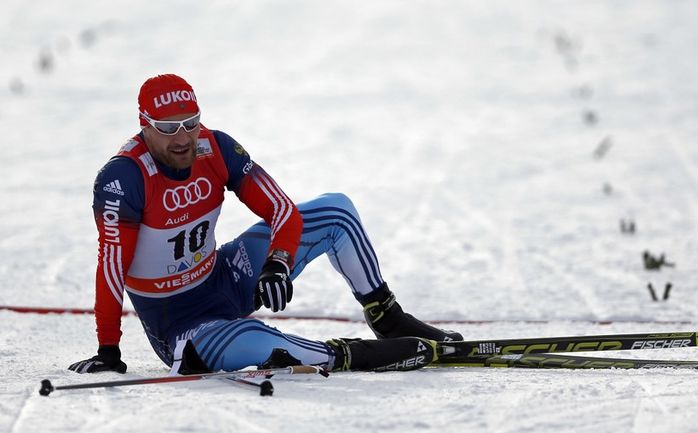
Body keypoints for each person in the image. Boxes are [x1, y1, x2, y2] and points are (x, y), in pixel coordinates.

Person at [69, 74, 462, 375]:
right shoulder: (125, 178)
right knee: (254, 340)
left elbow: (282, 210)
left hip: (223, 278)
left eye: (191, 123)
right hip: (181, 323)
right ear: (144, 124)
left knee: (336, 211)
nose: (183, 139)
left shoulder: (216, 147)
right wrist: (108, 351)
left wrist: (277, 262)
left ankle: (387, 318)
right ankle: (345, 355)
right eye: (168, 129)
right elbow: (111, 269)